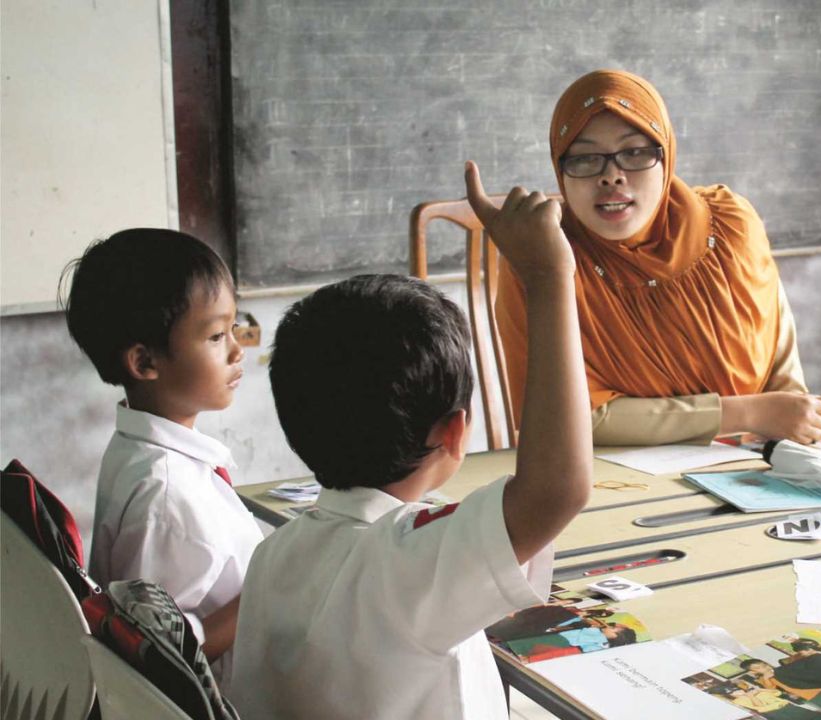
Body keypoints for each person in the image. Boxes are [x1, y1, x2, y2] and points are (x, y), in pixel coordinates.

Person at [229, 162, 592, 719]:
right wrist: (547, 277)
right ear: (454, 431)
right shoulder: (406, 564)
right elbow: (556, 489)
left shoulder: (273, 554)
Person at [495, 69, 821, 446]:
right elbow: (567, 419)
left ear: (666, 156)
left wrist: (799, 416)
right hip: (610, 478)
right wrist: (751, 412)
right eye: (584, 158)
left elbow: (777, 359)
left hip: (749, 465)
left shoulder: (730, 227)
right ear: (559, 167)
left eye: (634, 153)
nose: (611, 176)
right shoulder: (543, 258)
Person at [62, 228, 258, 681]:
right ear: (145, 363)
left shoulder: (144, 450)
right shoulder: (166, 493)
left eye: (234, 328)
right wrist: (270, 590)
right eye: (214, 336)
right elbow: (160, 655)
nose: (235, 349)